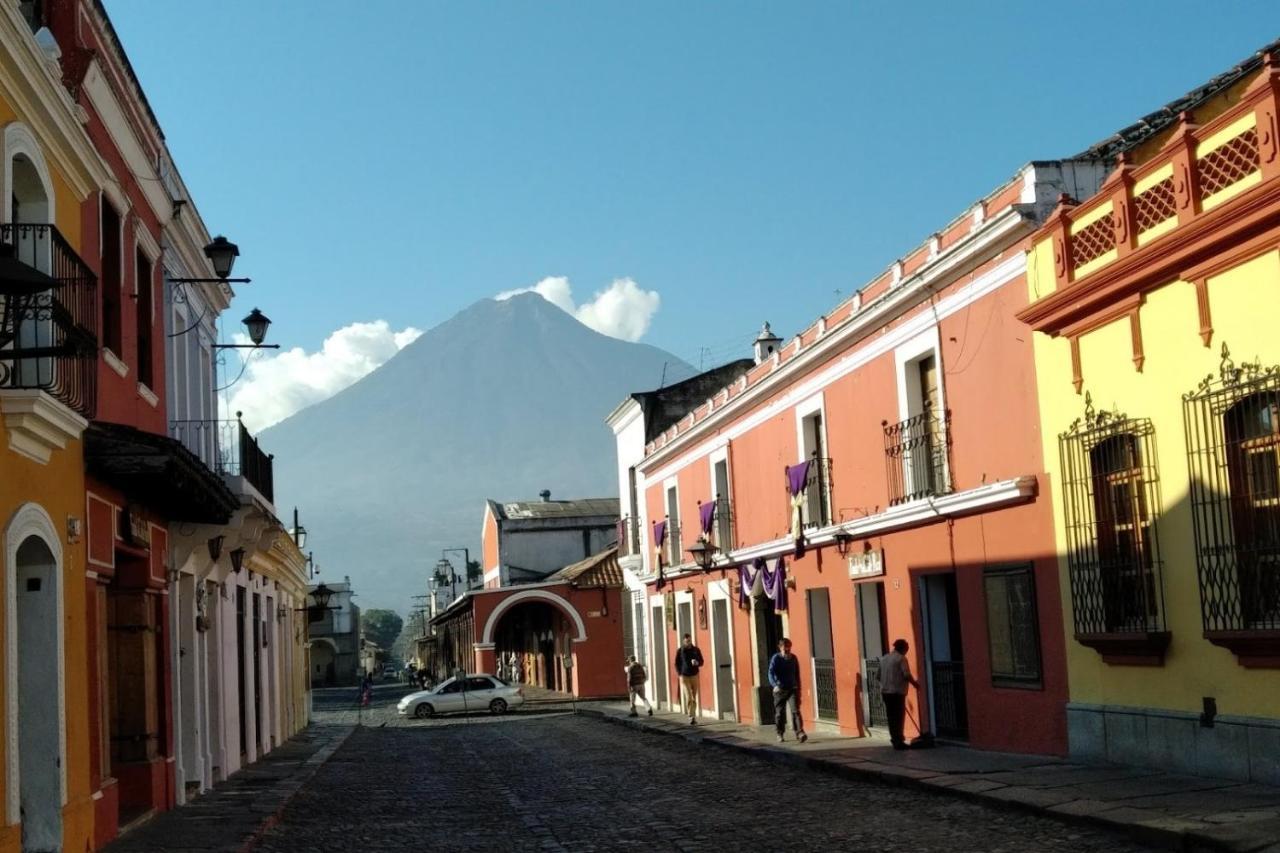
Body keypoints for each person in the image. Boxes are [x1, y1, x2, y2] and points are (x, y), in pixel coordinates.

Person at [879, 638, 920, 750]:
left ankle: (894, 739)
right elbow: (906, 675)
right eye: (907, 649)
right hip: (897, 692)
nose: (907, 651)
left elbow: (878, 676)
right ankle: (899, 741)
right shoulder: (901, 659)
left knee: (891, 717)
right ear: (903, 648)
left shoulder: (884, 658)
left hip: (886, 692)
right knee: (898, 717)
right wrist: (915, 684)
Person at [768, 638, 807, 743]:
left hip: (792, 688)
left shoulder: (794, 658)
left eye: (788, 649)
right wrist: (774, 685)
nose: (787, 651)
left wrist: (798, 688)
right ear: (780, 648)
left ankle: (800, 732)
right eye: (785, 649)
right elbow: (770, 672)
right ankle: (779, 733)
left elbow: (797, 674)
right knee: (779, 713)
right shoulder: (776, 658)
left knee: (795, 711)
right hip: (779, 690)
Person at [673, 633, 704, 725]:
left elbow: (702, 661)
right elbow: (676, 663)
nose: (688, 643)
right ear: (683, 641)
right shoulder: (680, 651)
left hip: (694, 675)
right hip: (684, 676)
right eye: (686, 641)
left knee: (694, 697)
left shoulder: (696, 650)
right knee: (689, 696)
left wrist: (697, 663)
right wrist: (679, 674)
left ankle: (693, 716)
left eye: (689, 641)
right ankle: (691, 716)